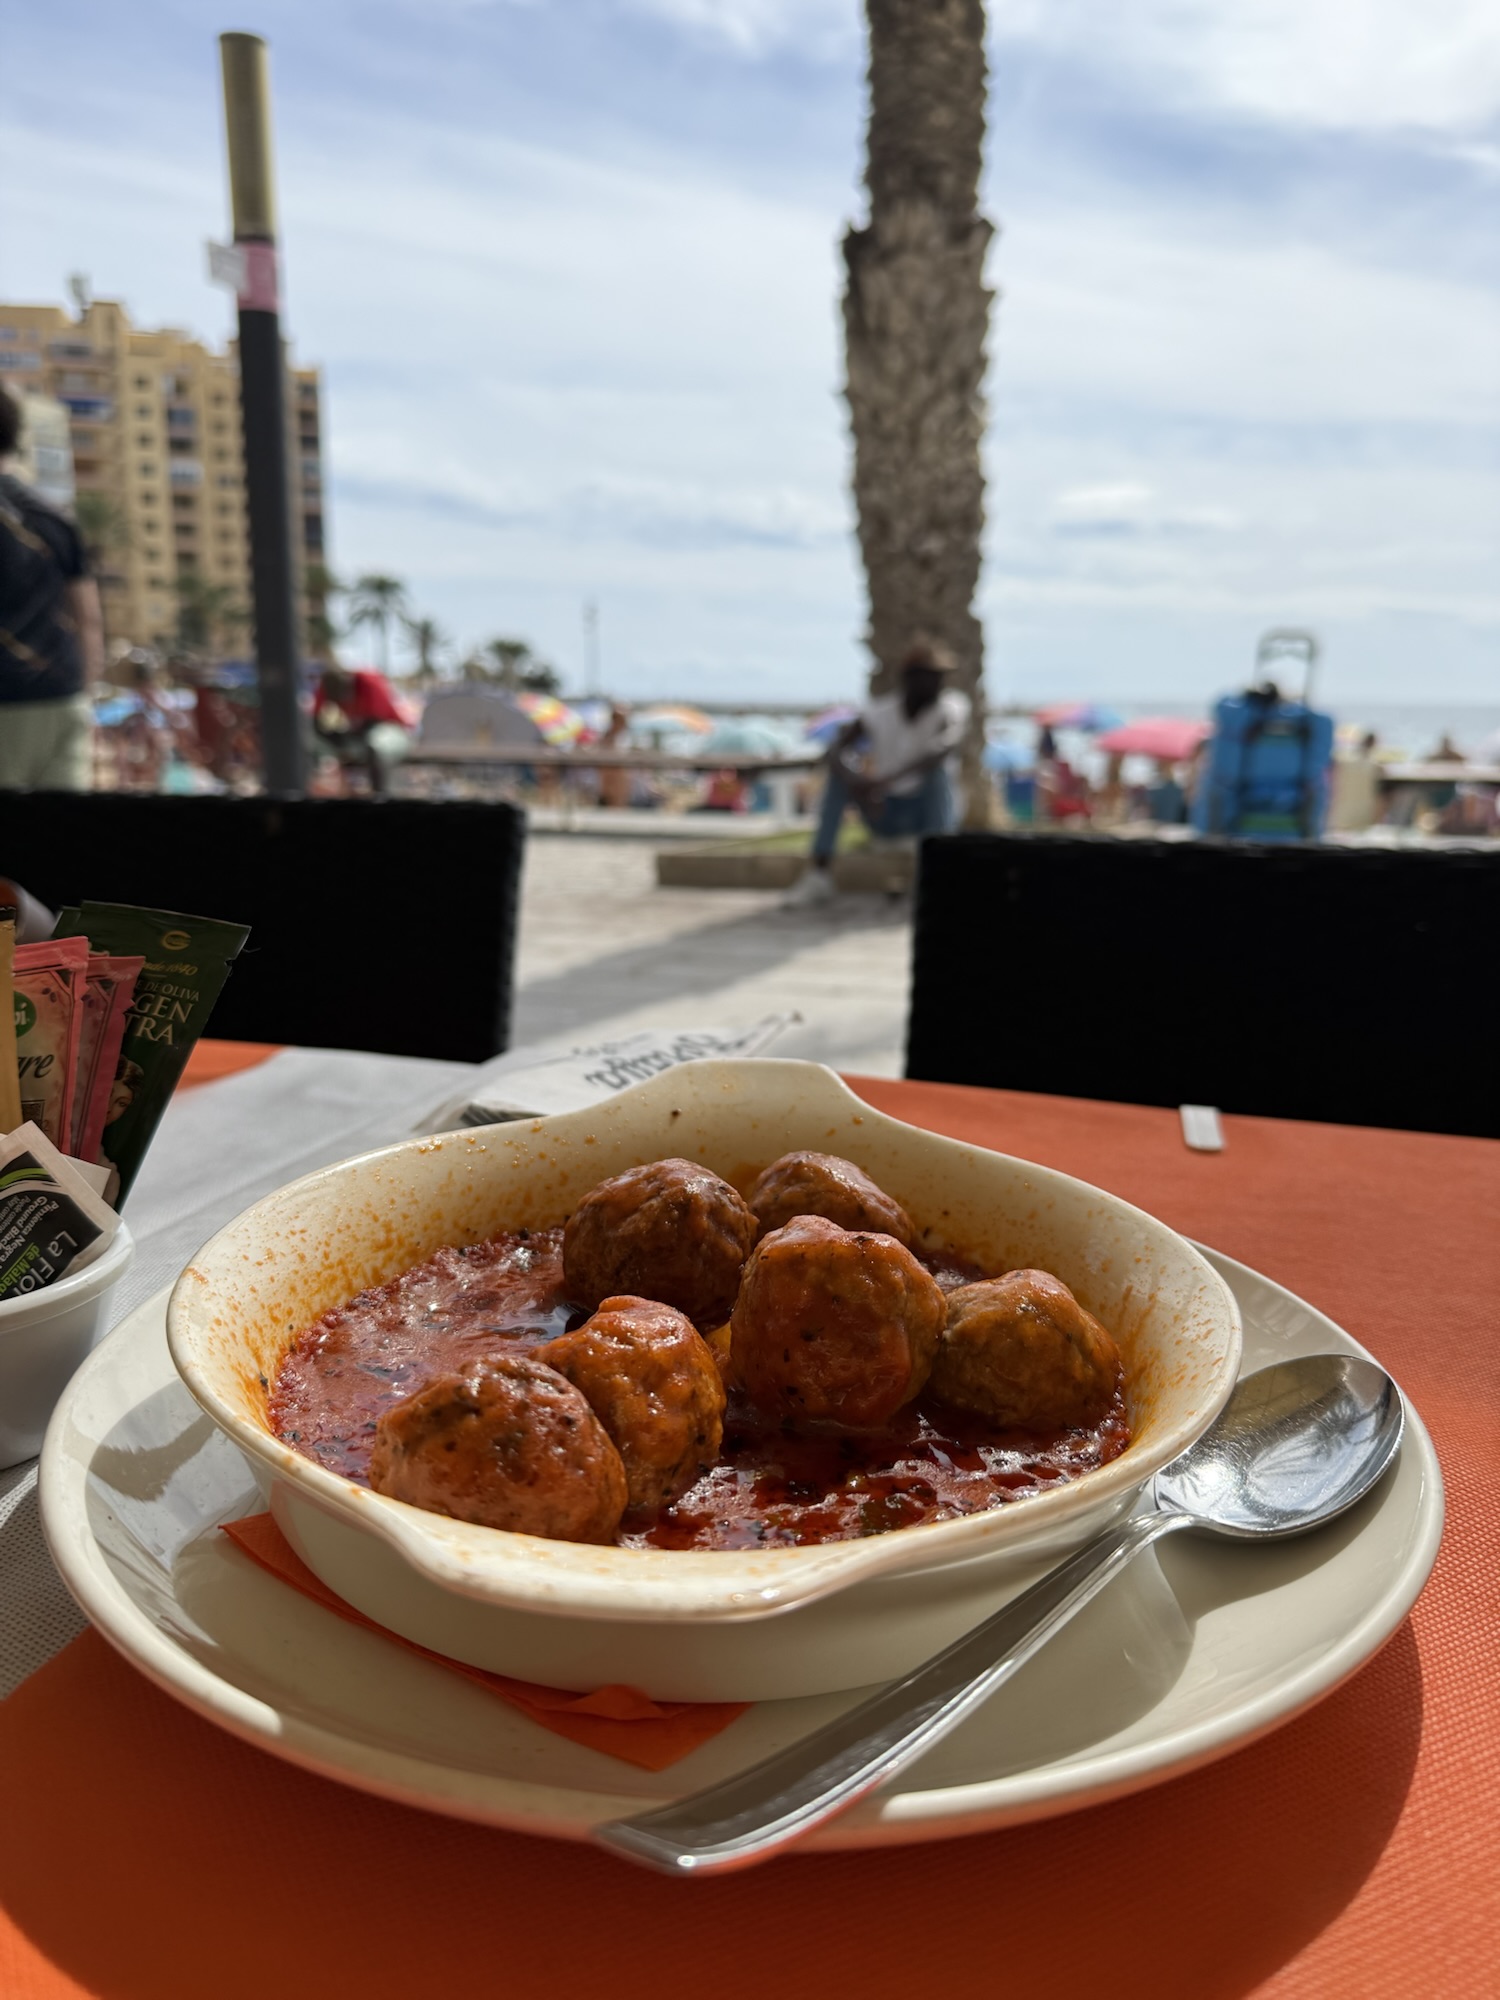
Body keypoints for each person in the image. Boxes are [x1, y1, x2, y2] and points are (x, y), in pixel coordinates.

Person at [785, 638, 970, 907]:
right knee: (839, 777)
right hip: (884, 810)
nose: (937, 684)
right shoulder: (879, 711)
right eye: (930, 676)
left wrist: (885, 781)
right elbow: (835, 751)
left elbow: (942, 749)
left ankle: (937, 879)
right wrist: (860, 783)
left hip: (927, 813)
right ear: (909, 677)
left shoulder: (951, 706)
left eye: (940, 677)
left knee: (938, 774)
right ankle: (819, 875)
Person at [0, 385, 103, 790]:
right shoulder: (57, 520)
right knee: (59, 839)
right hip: (60, 699)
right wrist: (85, 692)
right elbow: (89, 619)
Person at [314, 663, 411, 795]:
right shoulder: (327, 685)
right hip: (359, 732)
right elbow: (315, 722)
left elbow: (375, 721)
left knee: (375, 746)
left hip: (392, 730)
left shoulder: (367, 681)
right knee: (317, 745)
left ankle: (380, 795)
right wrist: (336, 740)